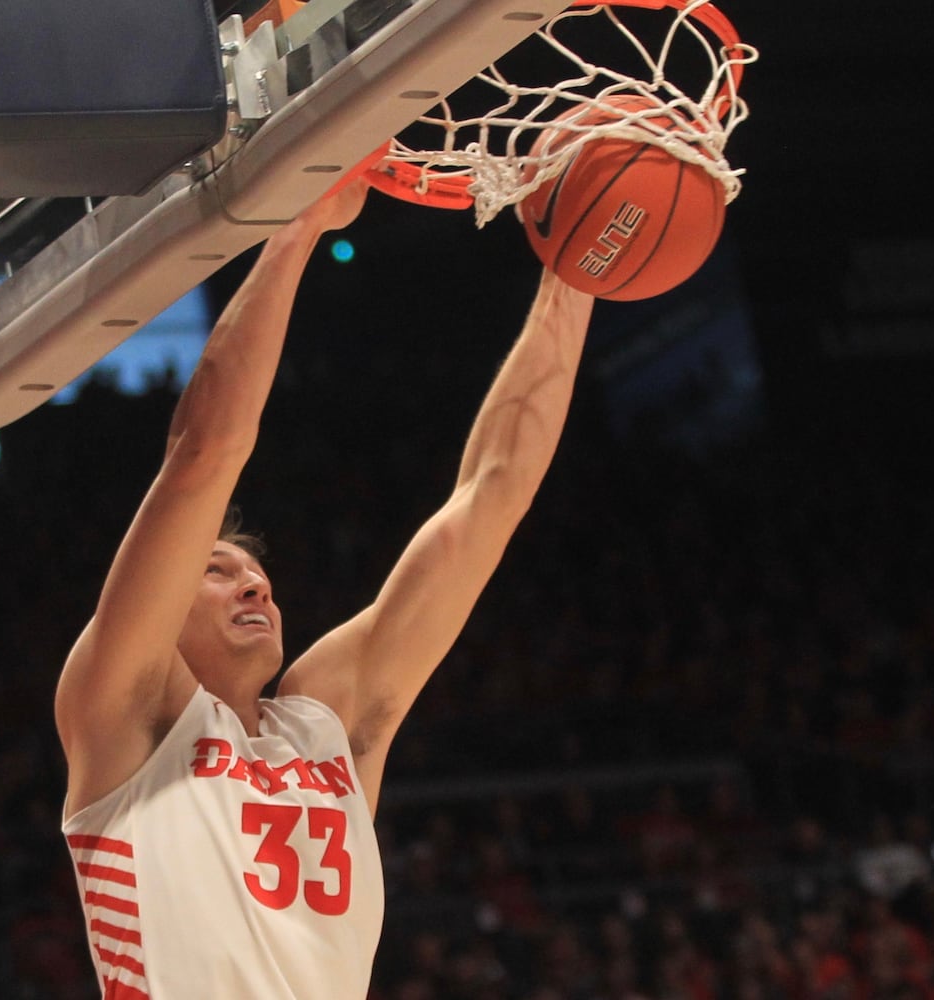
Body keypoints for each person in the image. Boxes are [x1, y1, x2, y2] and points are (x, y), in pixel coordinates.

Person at [54, 176, 595, 998]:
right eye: (217, 569)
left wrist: (578, 272)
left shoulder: (322, 723)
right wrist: (300, 221)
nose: (254, 584)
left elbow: (490, 494)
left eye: (257, 574)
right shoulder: (126, 711)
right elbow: (203, 454)